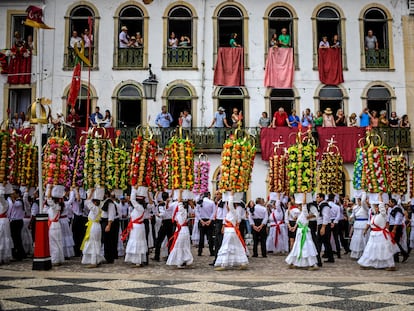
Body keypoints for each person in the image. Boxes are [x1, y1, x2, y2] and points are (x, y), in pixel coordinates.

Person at [358, 194, 397, 270]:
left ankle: (391, 265)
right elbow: (370, 208)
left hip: (381, 236)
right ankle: (366, 263)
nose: (375, 208)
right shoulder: (374, 216)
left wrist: (380, 197)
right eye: (375, 207)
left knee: (384, 250)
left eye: (377, 207)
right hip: (373, 235)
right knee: (370, 250)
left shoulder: (383, 214)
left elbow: (382, 206)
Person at [214, 193, 248, 271]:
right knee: (237, 246)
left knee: (226, 247)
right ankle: (242, 262)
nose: (227, 206)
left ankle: (223, 264)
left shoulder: (233, 212)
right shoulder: (232, 213)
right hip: (231, 231)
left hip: (230, 232)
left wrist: (231, 195)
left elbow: (230, 204)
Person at [285, 203, 319, 270]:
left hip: (304, 232)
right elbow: (297, 222)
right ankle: (296, 262)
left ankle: (311, 263)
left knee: (306, 247)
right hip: (299, 232)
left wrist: (304, 193)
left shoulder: (304, 212)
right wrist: (294, 228)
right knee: (298, 247)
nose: (298, 206)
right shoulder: (300, 214)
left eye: (299, 205)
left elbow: (304, 205)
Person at [167, 190, 193, 268]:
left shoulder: (182, 211)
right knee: (181, 246)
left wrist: (180, 193)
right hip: (181, 230)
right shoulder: (181, 212)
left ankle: (181, 261)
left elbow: (179, 202)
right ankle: (181, 261)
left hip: (182, 231)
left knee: (180, 245)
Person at [123, 187, 148, 267]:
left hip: (137, 227)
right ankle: (137, 260)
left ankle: (138, 261)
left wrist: (134, 189)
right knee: (137, 242)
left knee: (137, 243)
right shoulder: (139, 207)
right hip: (137, 227)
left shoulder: (139, 207)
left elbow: (132, 200)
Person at [81, 188, 105, 268]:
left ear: (95, 202)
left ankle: (94, 262)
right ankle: (97, 259)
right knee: (96, 243)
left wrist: (90, 193)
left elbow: (87, 202)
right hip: (96, 226)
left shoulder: (95, 208)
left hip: (94, 226)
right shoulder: (98, 208)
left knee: (94, 243)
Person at [46, 185, 65, 266]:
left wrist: (49, 189)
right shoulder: (59, 205)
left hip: (53, 226)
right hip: (56, 225)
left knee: (53, 243)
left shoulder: (54, 206)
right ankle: (59, 258)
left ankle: (55, 260)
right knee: (58, 242)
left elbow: (48, 199)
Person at [153, 192, 175, 261]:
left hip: (165, 222)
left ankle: (157, 256)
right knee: (170, 239)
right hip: (171, 222)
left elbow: (163, 213)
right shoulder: (171, 203)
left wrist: (158, 215)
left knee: (159, 239)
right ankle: (170, 255)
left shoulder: (161, 204)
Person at [101, 189, 119, 264]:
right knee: (105, 240)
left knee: (109, 241)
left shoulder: (110, 203)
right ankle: (106, 256)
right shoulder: (104, 202)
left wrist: (109, 225)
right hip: (103, 221)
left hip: (108, 222)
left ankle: (109, 258)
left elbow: (111, 215)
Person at [388, 198, 409, 263]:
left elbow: (397, 220)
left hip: (396, 227)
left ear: (393, 203)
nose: (389, 203)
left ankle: (404, 254)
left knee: (395, 242)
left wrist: (394, 229)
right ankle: (396, 258)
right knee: (394, 242)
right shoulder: (392, 209)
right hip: (392, 226)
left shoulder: (398, 210)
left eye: (390, 202)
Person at [8, 187, 26, 261]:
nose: (12, 194)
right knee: (15, 238)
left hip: (17, 221)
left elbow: (15, 204)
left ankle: (20, 254)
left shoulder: (20, 201)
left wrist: (11, 197)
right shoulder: (16, 201)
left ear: (18, 194)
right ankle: (18, 253)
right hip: (14, 221)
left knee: (17, 238)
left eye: (14, 193)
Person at [349, 192, 369, 259]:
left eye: (359, 200)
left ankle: (364, 253)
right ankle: (356, 254)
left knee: (363, 239)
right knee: (356, 239)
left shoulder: (365, 207)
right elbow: (353, 214)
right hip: (357, 224)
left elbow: (363, 202)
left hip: (364, 224)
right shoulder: (355, 207)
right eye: (357, 200)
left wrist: (363, 193)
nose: (358, 202)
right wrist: (351, 217)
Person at [316, 193, 334, 265]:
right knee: (326, 242)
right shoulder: (322, 205)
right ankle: (330, 257)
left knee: (319, 243)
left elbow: (325, 217)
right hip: (324, 225)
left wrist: (323, 227)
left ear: (321, 198)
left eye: (317, 197)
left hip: (324, 225)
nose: (316, 198)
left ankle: (318, 261)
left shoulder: (324, 206)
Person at [196, 192, 215, 257]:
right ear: (209, 196)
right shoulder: (211, 202)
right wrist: (210, 220)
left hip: (201, 220)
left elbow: (196, 212)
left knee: (201, 237)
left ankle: (200, 251)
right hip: (209, 220)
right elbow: (214, 212)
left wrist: (201, 220)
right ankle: (211, 251)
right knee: (210, 237)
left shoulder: (199, 202)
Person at [0, 184, 12, 264]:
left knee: (4, 238)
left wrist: (1, 187)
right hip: (2, 221)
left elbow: (1, 198)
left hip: (3, 221)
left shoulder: (5, 203)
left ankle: (5, 257)